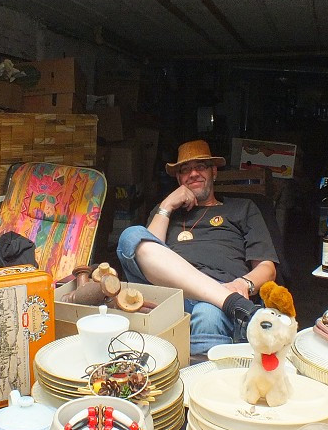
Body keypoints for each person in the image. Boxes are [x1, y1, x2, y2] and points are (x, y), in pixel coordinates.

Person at [117, 139, 279, 359]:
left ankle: (201, 383)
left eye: (200, 167)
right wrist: (166, 206)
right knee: (131, 236)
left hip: (224, 289)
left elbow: (267, 267)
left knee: (208, 313)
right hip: (171, 294)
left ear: (214, 172)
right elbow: (149, 254)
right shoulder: (166, 211)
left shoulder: (242, 208)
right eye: (185, 170)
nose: (193, 173)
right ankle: (232, 304)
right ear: (178, 178)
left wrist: (244, 283)